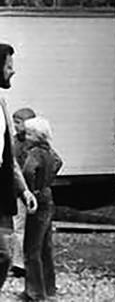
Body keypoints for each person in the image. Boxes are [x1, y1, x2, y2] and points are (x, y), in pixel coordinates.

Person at [0, 45, 38, 294]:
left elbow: (9, 156)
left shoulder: (2, 105)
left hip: (1, 191)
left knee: (4, 253)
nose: (13, 71)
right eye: (9, 66)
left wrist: (24, 190)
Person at [19, 116, 60, 300]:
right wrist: (48, 179)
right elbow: (59, 162)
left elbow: (28, 170)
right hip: (48, 195)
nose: (25, 136)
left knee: (31, 248)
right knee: (45, 246)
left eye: (28, 133)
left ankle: (34, 292)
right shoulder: (50, 151)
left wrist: (29, 189)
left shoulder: (34, 153)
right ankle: (49, 288)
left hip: (37, 197)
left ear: (37, 136)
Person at [8, 106, 35, 280]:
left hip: (32, 188)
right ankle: (19, 263)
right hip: (18, 189)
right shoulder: (14, 141)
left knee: (33, 228)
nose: (16, 126)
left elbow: (55, 161)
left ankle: (29, 260)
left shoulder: (34, 142)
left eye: (18, 122)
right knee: (18, 227)